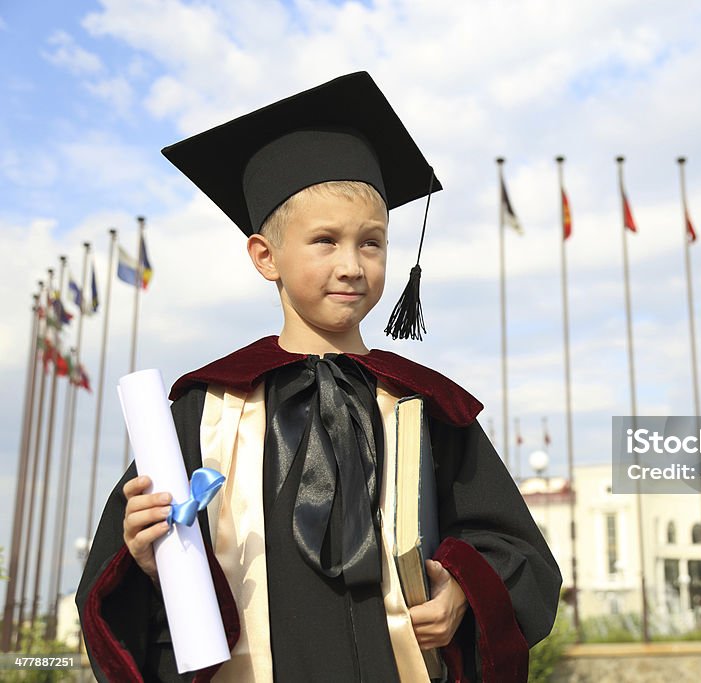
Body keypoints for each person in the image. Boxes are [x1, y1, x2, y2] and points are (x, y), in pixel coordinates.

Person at [76, 71, 561, 683]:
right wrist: (147, 559)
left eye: (372, 243)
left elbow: (519, 556)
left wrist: (462, 592)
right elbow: (119, 592)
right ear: (266, 257)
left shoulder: (423, 405)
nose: (352, 265)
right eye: (325, 241)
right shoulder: (209, 406)